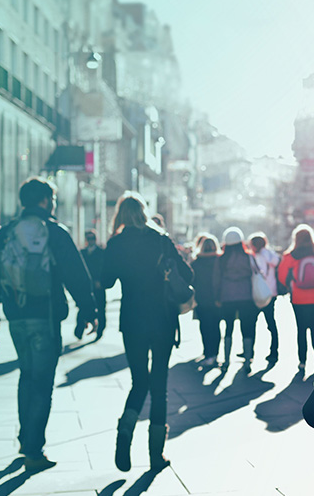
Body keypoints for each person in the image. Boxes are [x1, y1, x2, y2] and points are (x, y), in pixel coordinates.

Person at [0, 177, 98, 471]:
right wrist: (87, 309)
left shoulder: (6, 233)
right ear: (46, 201)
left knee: (26, 376)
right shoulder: (55, 233)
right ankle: (34, 449)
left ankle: (26, 439)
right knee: (42, 383)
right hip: (45, 318)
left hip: (16, 316)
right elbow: (76, 274)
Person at [102, 192, 192, 473]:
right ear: (143, 212)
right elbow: (188, 277)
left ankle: (124, 433)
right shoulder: (161, 239)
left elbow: (105, 282)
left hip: (132, 321)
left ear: (120, 215)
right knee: (159, 386)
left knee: (138, 382)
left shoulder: (116, 243)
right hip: (162, 320)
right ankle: (156, 455)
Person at [277, 224, 314, 369]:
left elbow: (281, 276)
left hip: (298, 298)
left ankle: (302, 360)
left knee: (301, 328)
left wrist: (289, 285)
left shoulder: (290, 256)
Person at [215, 226, 261, 364]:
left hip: (227, 296)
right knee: (247, 327)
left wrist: (217, 297)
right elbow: (256, 273)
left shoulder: (221, 259)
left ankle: (226, 360)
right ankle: (247, 360)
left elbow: (216, 279)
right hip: (246, 296)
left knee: (228, 328)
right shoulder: (248, 257)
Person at [249, 232, 281, 363]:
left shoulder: (255, 257)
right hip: (271, 293)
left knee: (251, 323)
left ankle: (249, 351)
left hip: (257, 293)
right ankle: (274, 352)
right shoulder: (271, 255)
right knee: (271, 323)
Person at [191, 233, 222, 367]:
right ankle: (215, 354)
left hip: (201, 300)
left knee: (204, 327)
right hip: (217, 299)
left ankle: (207, 353)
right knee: (216, 327)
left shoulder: (196, 262)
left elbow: (191, 280)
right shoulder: (220, 261)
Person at [76, 229, 107, 339]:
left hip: (98, 284)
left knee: (101, 308)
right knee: (83, 306)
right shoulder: (82, 253)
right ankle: (79, 330)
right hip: (85, 284)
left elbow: (105, 268)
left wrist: (101, 281)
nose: (91, 241)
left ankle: (100, 331)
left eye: (92, 238)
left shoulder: (101, 252)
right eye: (88, 239)